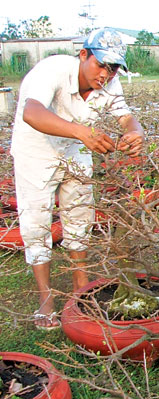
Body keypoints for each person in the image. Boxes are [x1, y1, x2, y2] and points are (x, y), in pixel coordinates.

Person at [10, 28, 144, 330]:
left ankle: (79, 287)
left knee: (80, 215)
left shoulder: (110, 83)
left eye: (113, 69)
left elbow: (126, 117)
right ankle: (46, 298)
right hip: (36, 151)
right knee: (36, 223)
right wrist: (83, 132)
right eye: (101, 65)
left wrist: (135, 132)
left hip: (76, 149)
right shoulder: (53, 70)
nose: (105, 75)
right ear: (83, 55)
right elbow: (31, 112)